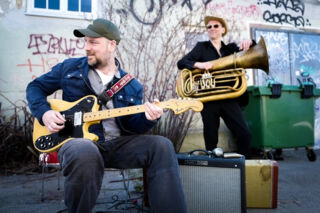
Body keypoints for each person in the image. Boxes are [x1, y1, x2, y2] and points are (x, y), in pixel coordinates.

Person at [26, 19, 187, 213]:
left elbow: (132, 126)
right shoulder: (69, 69)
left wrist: (149, 118)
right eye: (85, 42)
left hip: (116, 145)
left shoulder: (131, 85)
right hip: (77, 142)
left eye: (93, 42)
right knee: (85, 150)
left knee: (162, 145)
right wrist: (45, 113)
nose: (87, 48)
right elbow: (35, 87)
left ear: (112, 44)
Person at [177, 16, 253, 158]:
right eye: (209, 27)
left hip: (229, 97)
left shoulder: (230, 49)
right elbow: (181, 62)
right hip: (209, 99)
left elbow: (250, 50)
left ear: (223, 29)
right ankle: (214, 169)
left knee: (244, 134)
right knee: (211, 140)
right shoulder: (201, 47)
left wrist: (249, 43)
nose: (212, 28)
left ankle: (245, 166)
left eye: (215, 26)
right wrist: (199, 64)